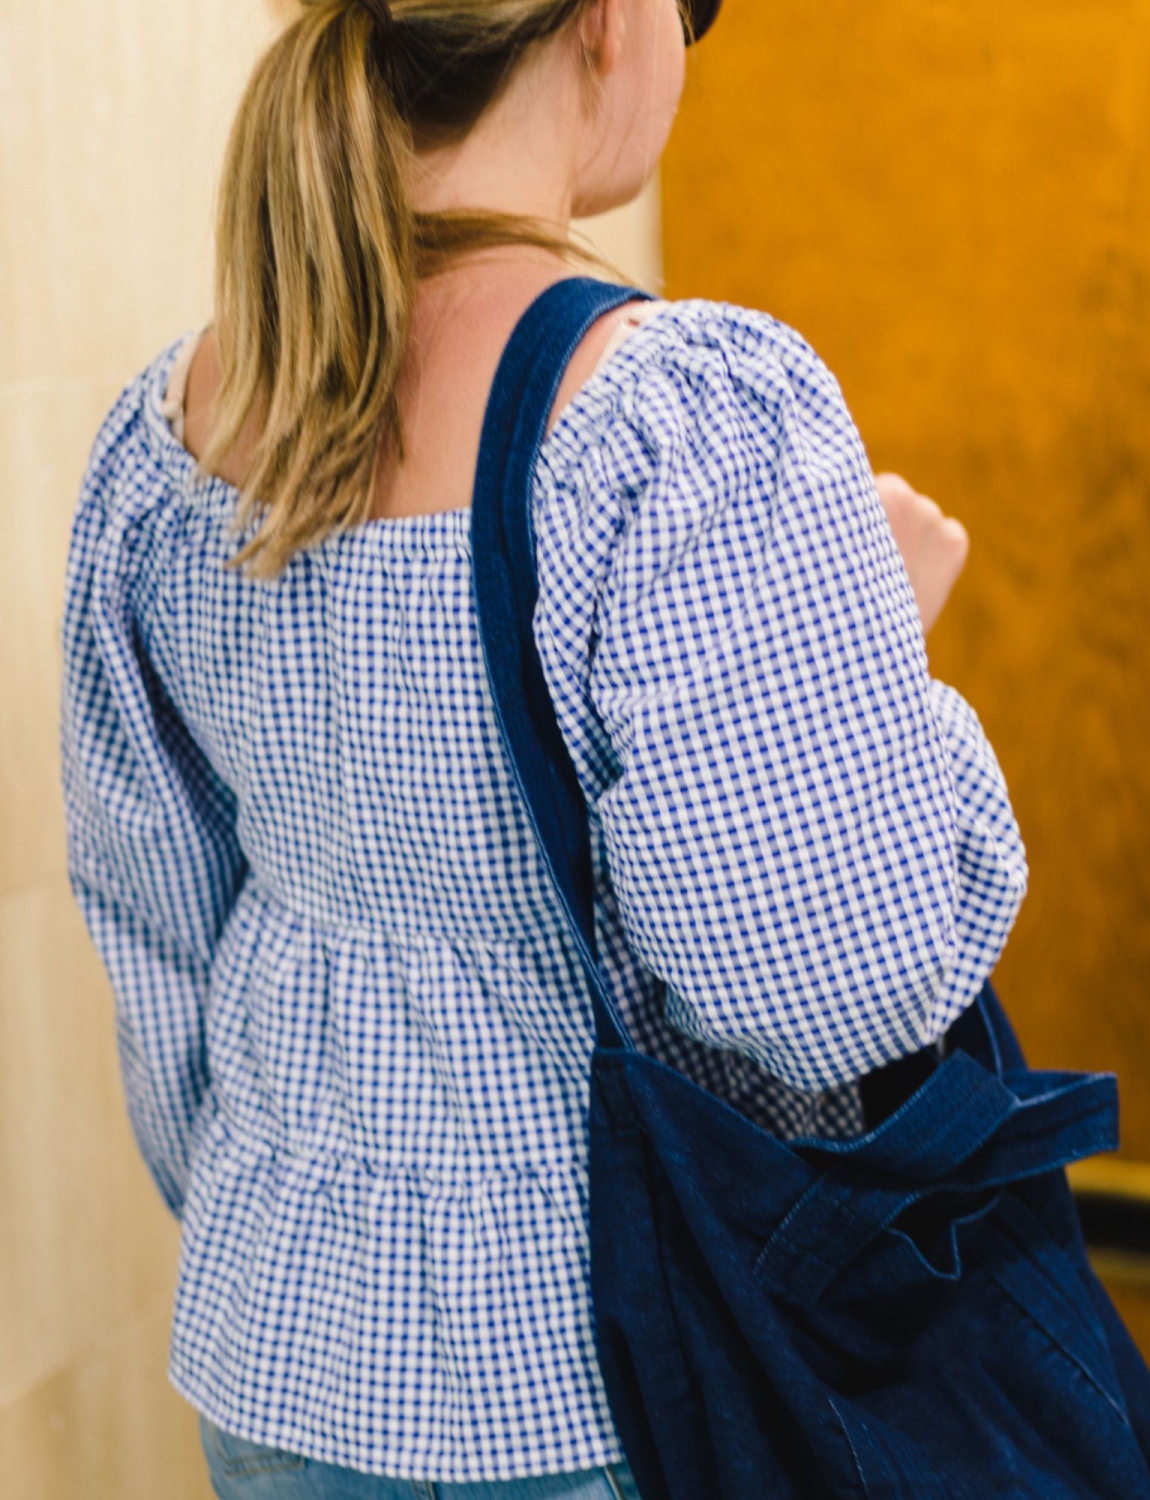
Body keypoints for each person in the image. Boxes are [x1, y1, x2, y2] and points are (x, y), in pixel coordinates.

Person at [57, 0, 1029, 1495]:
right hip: (623, 1382)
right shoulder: (677, 421)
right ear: (610, 20)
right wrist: (872, 671)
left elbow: (161, 950)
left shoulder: (168, 440)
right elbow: (834, 996)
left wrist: (313, 1223)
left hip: (279, 1367)